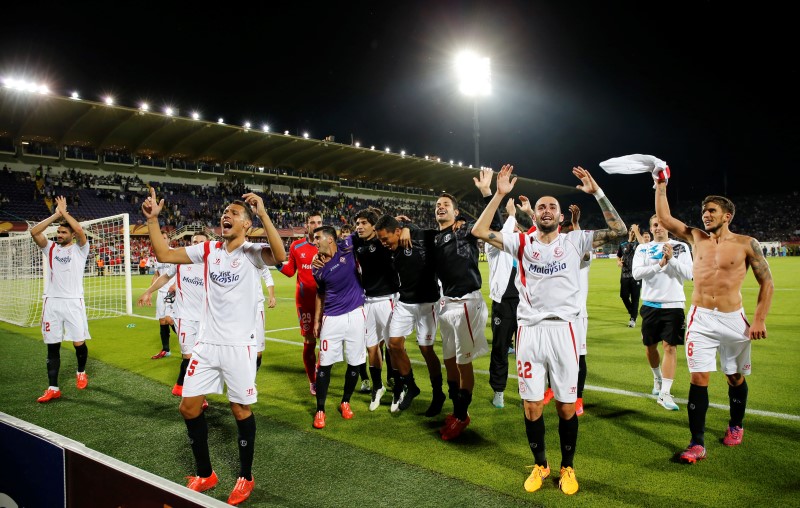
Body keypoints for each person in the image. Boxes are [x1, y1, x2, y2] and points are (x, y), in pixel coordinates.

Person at [472, 164, 627, 495]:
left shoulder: (576, 240)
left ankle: (567, 468)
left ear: (560, 215)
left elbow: (619, 231)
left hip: (564, 333)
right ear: (535, 214)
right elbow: (480, 231)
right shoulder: (521, 242)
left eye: (552, 207)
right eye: (541, 206)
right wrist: (499, 195)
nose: (545, 210)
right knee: (531, 406)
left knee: (566, 406)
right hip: (529, 332)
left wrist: (597, 191)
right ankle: (541, 464)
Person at [142, 187, 285, 505]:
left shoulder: (251, 252)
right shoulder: (208, 250)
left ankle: (246, 477)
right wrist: (153, 221)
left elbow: (280, 256)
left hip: (239, 346)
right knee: (188, 407)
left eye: (235, 213)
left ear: (247, 224)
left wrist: (263, 213)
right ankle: (206, 473)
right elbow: (165, 256)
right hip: (206, 344)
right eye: (226, 212)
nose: (226, 215)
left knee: (239, 409)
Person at [654, 179, 774, 464]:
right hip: (701, 318)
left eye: (711, 211)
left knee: (734, 376)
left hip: (734, 320)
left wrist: (759, 319)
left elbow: (766, 283)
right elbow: (665, 219)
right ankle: (697, 443)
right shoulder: (696, 237)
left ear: (726, 216)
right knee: (699, 378)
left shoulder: (747, 244)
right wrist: (661, 185)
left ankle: (736, 424)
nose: (705, 215)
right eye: (703, 211)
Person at [432, 167, 500, 440]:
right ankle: (455, 407)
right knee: (448, 358)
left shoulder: (467, 231)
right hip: (445, 304)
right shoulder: (433, 238)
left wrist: (487, 192)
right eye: (437, 205)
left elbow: (491, 226)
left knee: (463, 362)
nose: (440, 207)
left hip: (466, 303)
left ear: (456, 213)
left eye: (446, 205)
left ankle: (462, 415)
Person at [374, 214, 446, 415]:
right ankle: (410, 385)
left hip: (427, 303)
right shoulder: (389, 248)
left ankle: (438, 393)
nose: (383, 243)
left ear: (397, 232)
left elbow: (435, 233)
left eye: (385, 239)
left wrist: (409, 226)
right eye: (380, 240)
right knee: (394, 344)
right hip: (404, 302)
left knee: (426, 349)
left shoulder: (417, 239)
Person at [30, 196, 91, 403]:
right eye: (58, 232)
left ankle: (81, 371)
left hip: (73, 301)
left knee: (78, 342)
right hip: (52, 302)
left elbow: (81, 232)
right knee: (52, 345)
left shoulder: (80, 249)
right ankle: (53, 387)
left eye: (64, 232)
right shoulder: (50, 249)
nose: (59, 235)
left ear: (72, 235)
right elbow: (34, 232)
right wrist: (56, 215)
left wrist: (65, 213)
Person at [632, 214, 693, 411]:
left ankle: (665, 393)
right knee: (650, 347)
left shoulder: (680, 247)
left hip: (674, 305)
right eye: (655, 225)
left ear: (668, 226)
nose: (658, 227)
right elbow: (636, 273)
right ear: (650, 228)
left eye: (661, 224)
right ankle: (657, 379)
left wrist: (672, 260)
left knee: (670, 347)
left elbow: (690, 274)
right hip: (650, 304)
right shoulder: (643, 248)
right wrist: (659, 265)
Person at [137, 233, 210, 399]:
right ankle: (196, 395)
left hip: (206, 318)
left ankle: (184, 387)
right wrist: (148, 291)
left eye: (201, 242)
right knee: (189, 357)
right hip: (184, 317)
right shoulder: (180, 260)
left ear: (207, 245)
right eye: (195, 242)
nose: (197, 244)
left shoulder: (212, 264)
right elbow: (165, 276)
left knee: (203, 359)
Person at [310, 225, 367, 429]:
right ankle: (320, 410)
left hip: (356, 315)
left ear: (330, 239)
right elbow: (320, 294)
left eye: (317, 238)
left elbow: (367, 230)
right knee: (324, 364)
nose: (314, 241)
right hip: (331, 318)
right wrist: (317, 321)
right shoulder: (316, 266)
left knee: (354, 362)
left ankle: (345, 401)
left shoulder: (347, 246)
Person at [485, 197, 533, 409]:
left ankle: (528, 394)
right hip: (503, 304)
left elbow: (540, 234)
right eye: (512, 228)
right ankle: (499, 390)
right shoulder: (495, 248)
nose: (515, 231)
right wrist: (511, 214)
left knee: (528, 352)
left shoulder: (525, 246)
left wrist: (528, 215)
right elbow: (503, 233)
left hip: (526, 305)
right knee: (500, 348)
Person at [352, 208, 400, 411]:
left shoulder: (385, 243)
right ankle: (378, 387)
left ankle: (399, 389)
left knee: (393, 348)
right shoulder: (357, 244)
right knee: (372, 347)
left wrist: (404, 227)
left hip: (388, 299)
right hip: (368, 301)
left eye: (363, 223)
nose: (359, 227)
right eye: (357, 223)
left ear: (374, 225)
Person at [277, 212, 323, 395]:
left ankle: (320, 368)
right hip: (305, 301)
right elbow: (290, 271)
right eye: (312, 222)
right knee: (309, 342)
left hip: (328, 301)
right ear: (307, 225)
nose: (316, 225)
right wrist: (277, 264)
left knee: (327, 341)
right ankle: (312, 380)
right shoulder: (297, 246)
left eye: (319, 222)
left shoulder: (329, 245)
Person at [150, 231, 177, 359]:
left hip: (171, 292)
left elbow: (180, 272)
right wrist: (150, 292)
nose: (162, 240)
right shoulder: (157, 256)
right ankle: (166, 350)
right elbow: (157, 274)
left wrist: (176, 285)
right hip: (161, 292)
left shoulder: (175, 253)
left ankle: (190, 346)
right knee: (162, 321)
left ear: (169, 240)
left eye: (164, 238)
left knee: (170, 319)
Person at [617, 225, 643, 327]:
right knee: (623, 296)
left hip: (636, 275)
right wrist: (618, 262)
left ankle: (633, 319)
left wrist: (637, 232)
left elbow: (644, 245)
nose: (633, 233)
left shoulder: (640, 245)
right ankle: (633, 312)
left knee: (635, 298)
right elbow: (618, 256)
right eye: (631, 232)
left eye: (635, 232)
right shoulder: (622, 244)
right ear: (628, 232)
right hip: (624, 274)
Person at [256, 263, 277, 371]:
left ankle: (251, 381)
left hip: (257, 308)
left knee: (258, 353)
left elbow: (267, 275)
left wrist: (272, 296)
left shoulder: (255, 255)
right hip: (238, 310)